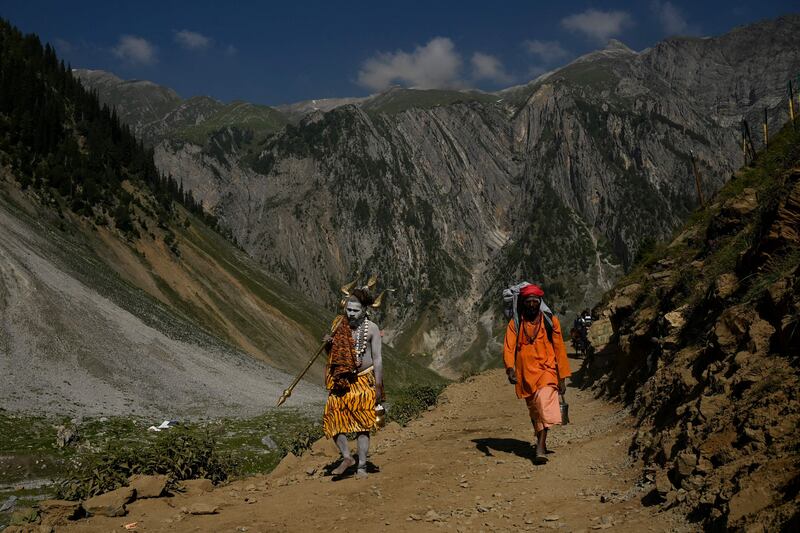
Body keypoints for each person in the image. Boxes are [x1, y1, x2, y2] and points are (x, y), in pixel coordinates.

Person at [503, 284, 571, 462]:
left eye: (535, 301)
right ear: (524, 303)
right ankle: (541, 438)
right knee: (534, 411)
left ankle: (540, 447)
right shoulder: (516, 323)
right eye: (529, 301)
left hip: (547, 370)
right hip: (525, 373)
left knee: (543, 404)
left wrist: (561, 377)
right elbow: (509, 347)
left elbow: (560, 349)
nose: (532, 304)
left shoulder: (550, 321)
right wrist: (510, 369)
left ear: (540, 302)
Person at [322, 287, 384, 478]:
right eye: (348, 310)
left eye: (355, 311)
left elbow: (377, 359)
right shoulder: (339, 325)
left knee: (363, 425)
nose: (351, 314)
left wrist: (379, 386)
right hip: (342, 380)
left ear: (365, 310)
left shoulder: (372, 329)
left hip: (364, 380)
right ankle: (347, 457)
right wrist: (328, 344)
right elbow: (333, 356)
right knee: (332, 416)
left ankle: (362, 466)